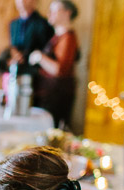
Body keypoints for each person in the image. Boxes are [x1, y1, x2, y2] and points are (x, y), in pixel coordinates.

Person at [29, 0, 79, 129]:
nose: (49, 13)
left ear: (67, 13)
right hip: (47, 94)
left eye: (54, 10)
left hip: (57, 97)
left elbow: (59, 70)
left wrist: (39, 57)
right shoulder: (57, 36)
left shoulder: (67, 38)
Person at [0, 0, 53, 75]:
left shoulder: (43, 24)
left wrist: (24, 57)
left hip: (34, 72)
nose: (22, 1)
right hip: (17, 72)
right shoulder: (13, 24)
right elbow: (13, 46)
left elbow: (46, 50)